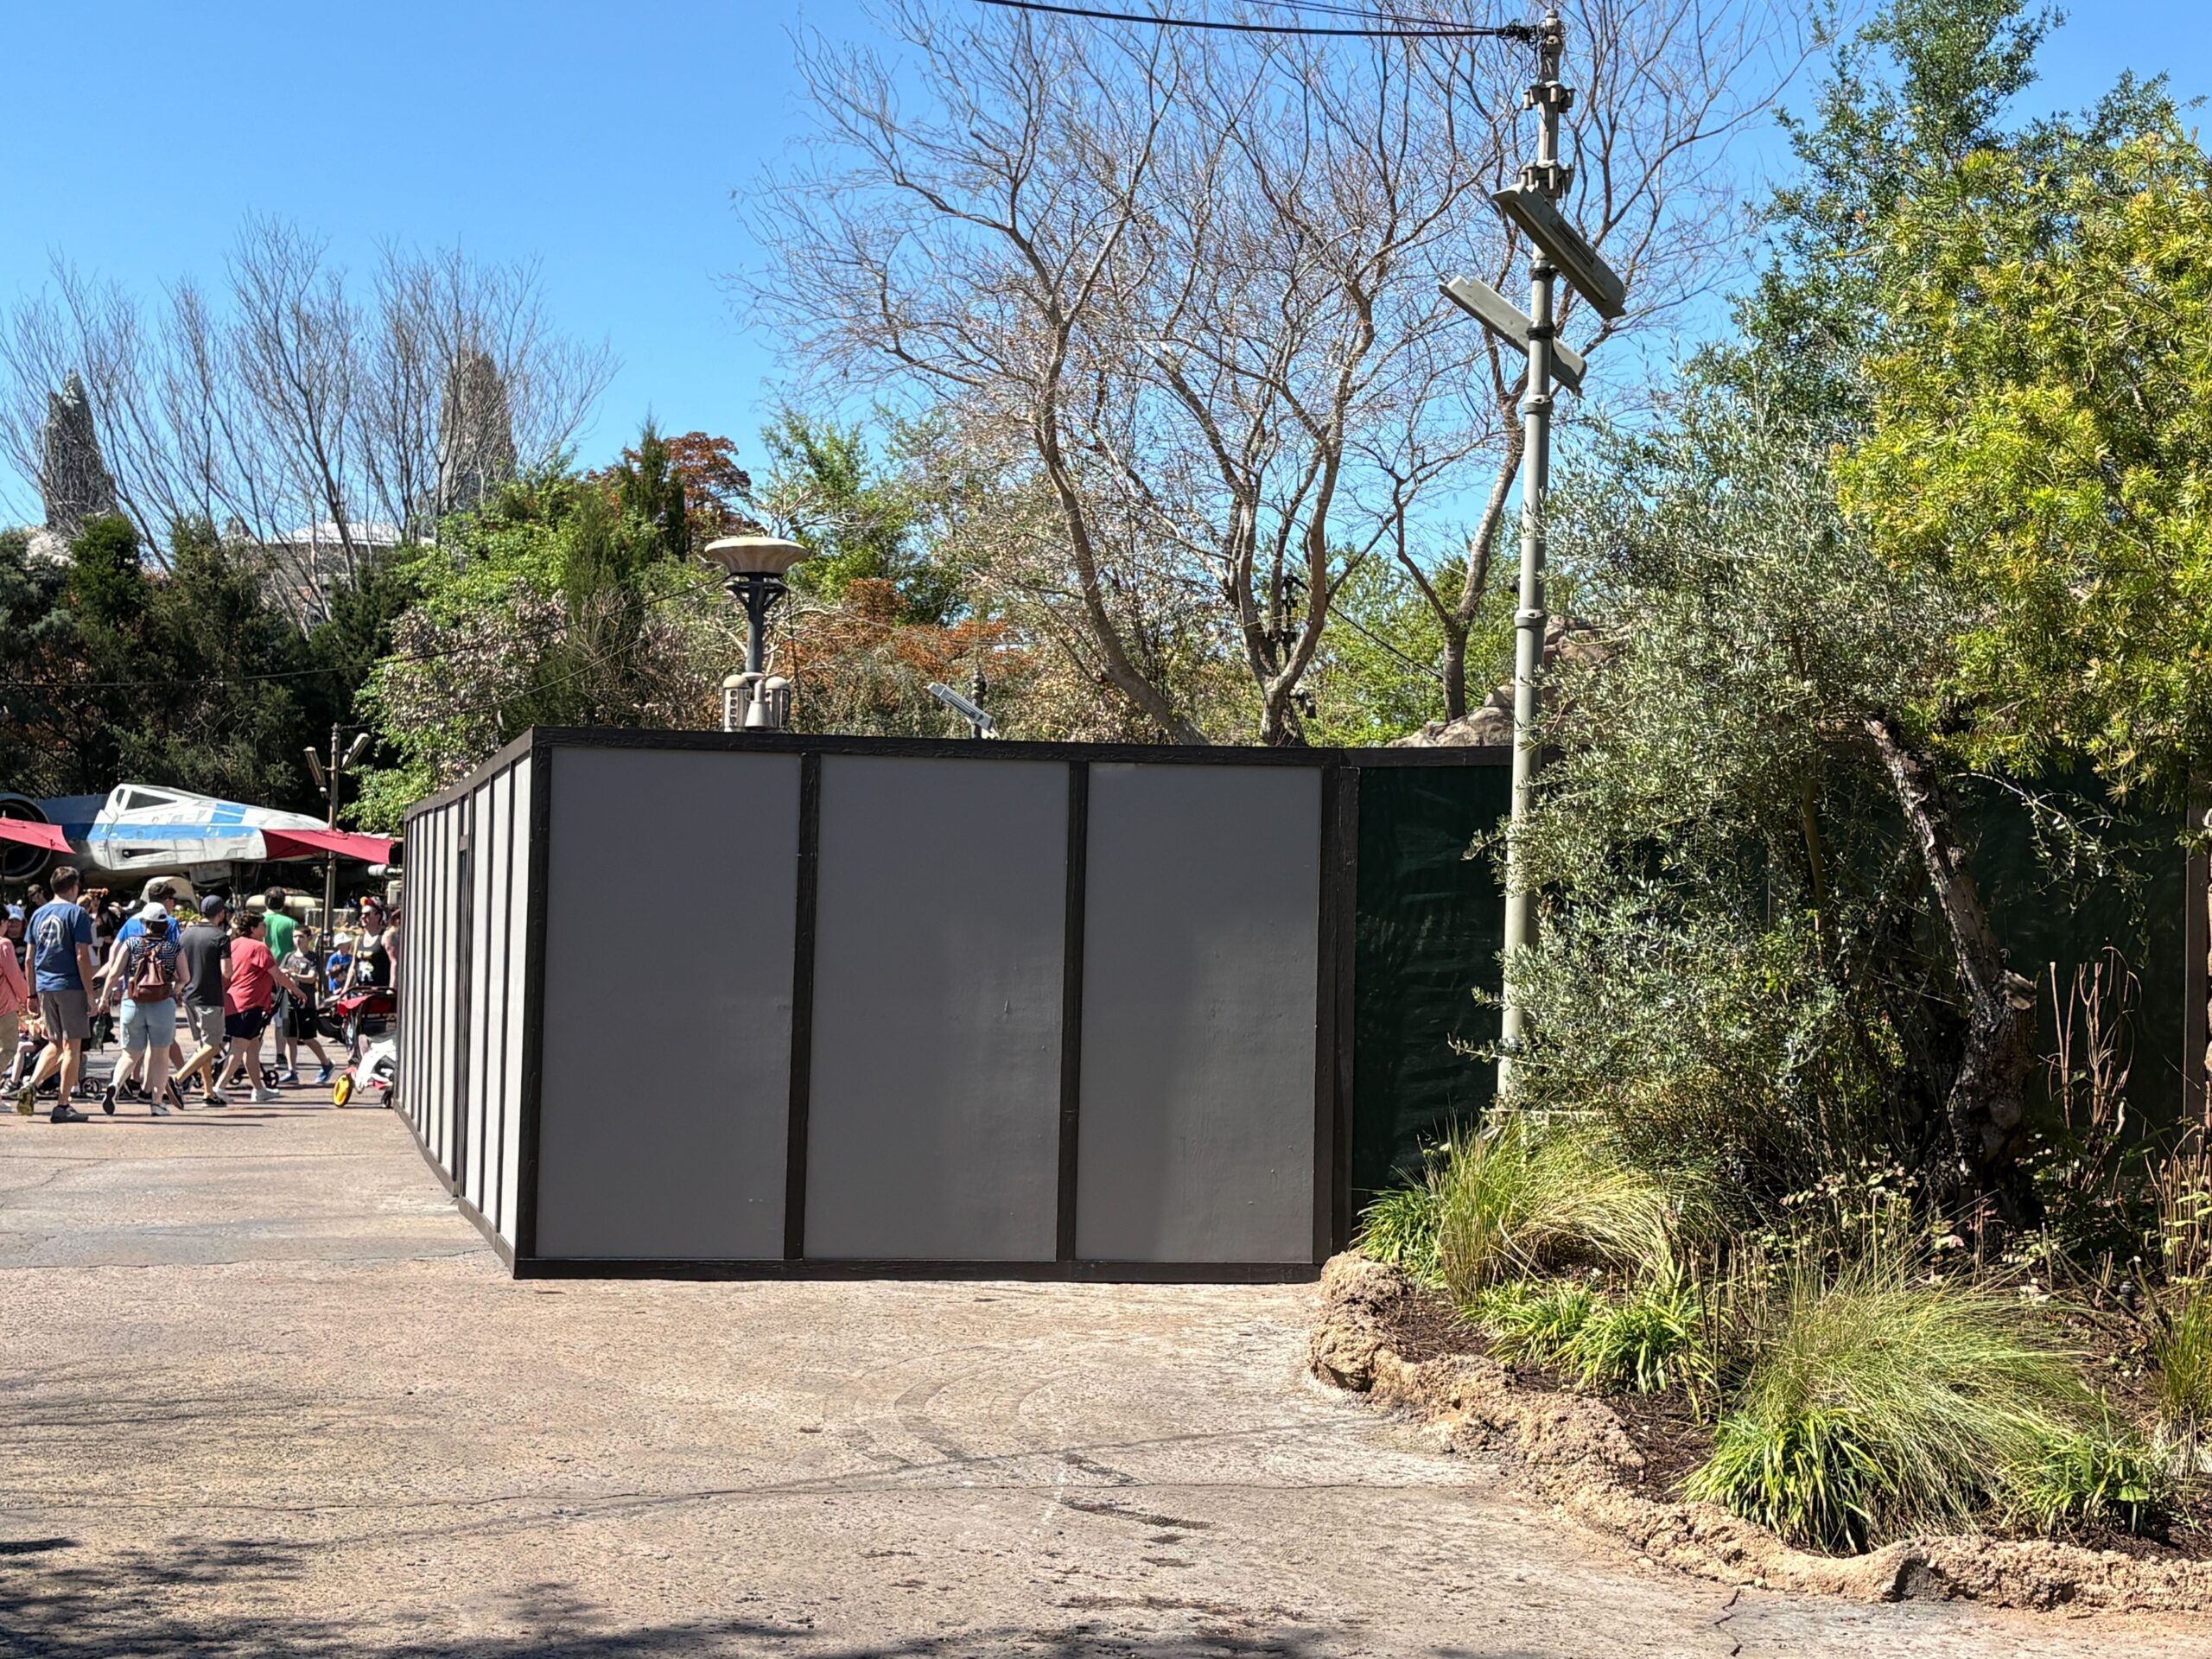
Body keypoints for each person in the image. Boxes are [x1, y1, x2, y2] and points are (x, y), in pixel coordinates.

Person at [14, 866, 99, 1122]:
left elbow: (29, 959)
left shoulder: (38, 914)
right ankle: (63, 1104)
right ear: (74, 887)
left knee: (54, 1043)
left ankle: (31, 1084)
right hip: (70, 985)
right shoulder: (77, 914)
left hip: (45, 985)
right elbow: (82, 955)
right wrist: (90, 993)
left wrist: (31, 993)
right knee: (73, 1046)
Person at [94, 900, 183, 1116]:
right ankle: (157, 1103)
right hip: (161, 1003)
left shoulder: (131, 943)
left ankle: (115, 1084)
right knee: (161, 1055)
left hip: (132, 1001)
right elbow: (185, 977)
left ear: (144, 923)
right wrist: (176, 989)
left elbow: (114, 972)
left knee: (130, 1053)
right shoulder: (172, 946)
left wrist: (104, 998)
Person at [211, 910, 283, 1105]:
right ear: (253, 929)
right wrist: (296, 990)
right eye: (262, 925)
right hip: (251, 1003)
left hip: (233, 1002)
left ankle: (259, 1090)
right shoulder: (259, 947)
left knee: (252, 1049)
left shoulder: (232, 945)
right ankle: (220, 1086)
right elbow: (277, 974)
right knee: (239, 1047)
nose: (265, 928)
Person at [174, 894, 232, 1103]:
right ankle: (178, 1078)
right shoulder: (221, 937)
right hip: (210, 996)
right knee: (214, 1045)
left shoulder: (185, 934)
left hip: (189, 995)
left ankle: (208, 1091)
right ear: (221, 914)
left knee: (203, 1045)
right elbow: (227, 972)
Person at [275, 925, 334, 1086]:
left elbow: (311, 978)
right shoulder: (289, 956)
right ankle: (292, 1071)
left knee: (308, 1037)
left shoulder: (313, 957)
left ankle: (326, 1063)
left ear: (309, 938)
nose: (297, 940)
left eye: (301, 936)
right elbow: (279, 972)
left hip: (306, 1003)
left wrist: (294, 974)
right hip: (288, 1002)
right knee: (290, 1038)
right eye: (295, 937)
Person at [0, 906, 26, 1093]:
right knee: (9, 1048)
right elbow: (15, 976)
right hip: (3, 1007)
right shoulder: (4, 945)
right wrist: (27, 999)